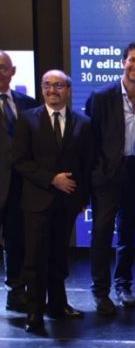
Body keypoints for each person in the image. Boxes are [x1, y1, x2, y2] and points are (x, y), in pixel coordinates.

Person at [12, 70, 93, 333]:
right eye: (47, 85)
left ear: (68, 90)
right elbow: (20, 161)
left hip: (67, 203)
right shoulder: (27, 119)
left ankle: (58, 306)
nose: (52, 90)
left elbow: (86, 165)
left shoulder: (83, 123)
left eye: (58, 85)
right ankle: (35, 313)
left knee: (59, 257)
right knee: (35, 259)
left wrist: (82, 199)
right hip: (37, 201)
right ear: (42, 89)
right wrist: (51, 179)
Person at [86, 41, 135, 315]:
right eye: (132, 60)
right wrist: (96, 173)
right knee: (102, 233)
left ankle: (123, 285)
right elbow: (89, 141)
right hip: (107, 175)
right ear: (123, 62)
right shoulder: (101, 96)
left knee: (128, 232)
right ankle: (100, 290)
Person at [0, 50, 38, 312]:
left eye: (3, 67)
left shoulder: (28, 103)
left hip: (20, 185)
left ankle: (16, 291)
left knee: (16, 241)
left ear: (13, 72)